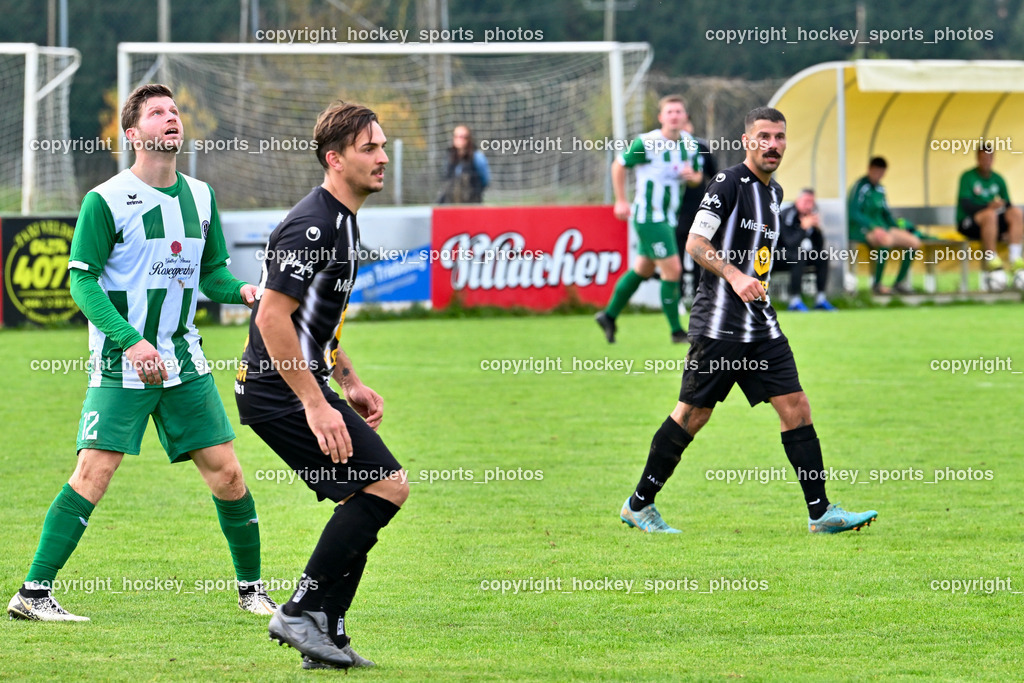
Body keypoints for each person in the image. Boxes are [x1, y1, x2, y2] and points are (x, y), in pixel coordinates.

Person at [7, 84, 277, 622]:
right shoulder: (104, 200)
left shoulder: (201, 197)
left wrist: (245, 291)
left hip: (184, 360)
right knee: (93, 473)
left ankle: (252, 591)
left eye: (175, 110)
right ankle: (33, 594)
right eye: (157, 112)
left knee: (227, 474)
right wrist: (130, 341)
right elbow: (82, 284)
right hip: (121, 361)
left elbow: (212, 274)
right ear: (133, 134)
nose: (170, 117)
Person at [618, 107, 877, 535]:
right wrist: (736, 275)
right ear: (747, 141)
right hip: (718, 325)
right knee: (692, 416)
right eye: (764, 136)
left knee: (796, 408)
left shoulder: (775, 195)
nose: (772, 144)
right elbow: (695, 242)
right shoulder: (727, 183)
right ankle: (638, 505)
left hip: (761, 326)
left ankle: (820, 513)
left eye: (779, 137)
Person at [235, 101, 407, 670]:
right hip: (275, 390)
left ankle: (326, 633)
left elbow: (314, 322)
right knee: (386, 487)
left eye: (382, 145)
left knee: (370, 492)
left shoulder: (342, 219)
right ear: (334, 160)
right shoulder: (314, 223)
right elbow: (270, 318)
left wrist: (348, 381)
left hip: (295, 384)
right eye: (369, 148)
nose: (383, 157)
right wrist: (316, 404)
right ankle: (299, 612)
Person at [595, 95, 704, 344]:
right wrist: (621, 200)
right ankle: (677, 332)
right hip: (649, 216)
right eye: (669, 112)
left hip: (669, 217)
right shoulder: (648, 142)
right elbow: (619, 165)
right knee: (674, 270)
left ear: (685, 116)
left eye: (679, 111)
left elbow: (698, 177)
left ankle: (609, 316)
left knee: (642, 269)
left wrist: (692, 177)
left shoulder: (690, 144)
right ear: (661, 117)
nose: (674, 116)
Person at [847, 157, 920, 294]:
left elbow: (886, 213)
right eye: (876, 171)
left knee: (914, 242)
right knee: (885, 240)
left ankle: (899, 283)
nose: (878, 175)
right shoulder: (860, 186)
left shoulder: (881, 189)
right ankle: (877, 285)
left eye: (881, 172)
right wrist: (873, 226)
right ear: (869, 169)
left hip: (881, 227)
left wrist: (898, 228)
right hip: (860, 228)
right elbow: (853, 212)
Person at [956, 142, 1024, 284]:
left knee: (1016, 213)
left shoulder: (998, 179)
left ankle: (1016, 259)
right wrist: (989, 205)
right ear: (977, 159)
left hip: (992, 224)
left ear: (993, 159)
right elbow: (966, 205)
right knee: (989, 214)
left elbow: (1008, 205)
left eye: (988, 158)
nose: (986, 161)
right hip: (969, 223)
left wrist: (1011, 229)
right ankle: (992, 260)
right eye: (983, 158)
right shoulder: (968, 177)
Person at [676, 120, 718, 303]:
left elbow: (715, 175)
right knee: (675, 259)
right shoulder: (666, 148)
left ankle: (698, 297)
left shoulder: (701, 147)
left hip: (698, 211)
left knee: (698, 255)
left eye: (686, 124)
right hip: (674, 213)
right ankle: (676, 299)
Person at [776, 188, 836, 311]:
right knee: (799, 256)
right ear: (798, 201)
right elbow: (789, 243)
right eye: (805, 201)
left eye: (811, 202)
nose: (808, 205)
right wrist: (803, 228)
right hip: (778, 255)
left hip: (799, 255)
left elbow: (819, 246)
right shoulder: (787, 215)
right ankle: (794, 300)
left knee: (822, 256)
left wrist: (817, 230)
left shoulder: (810, 216)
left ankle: (820, 299)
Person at [437, 124, 490, 203]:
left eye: (463, 137)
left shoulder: (477, 157)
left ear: (469, 138)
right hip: (451, 205)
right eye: (457, 136)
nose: (460, 139)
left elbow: (485, 180)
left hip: (472, 205)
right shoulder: (449, 158)